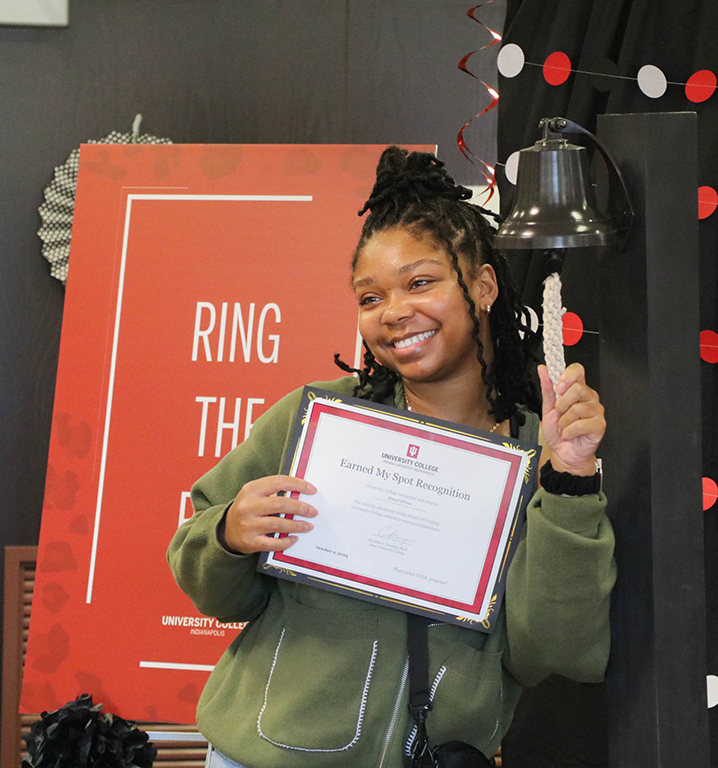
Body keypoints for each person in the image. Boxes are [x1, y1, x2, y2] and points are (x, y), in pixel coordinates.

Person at [167, 146, 615, 768]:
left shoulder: (541, 452)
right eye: (370, 297)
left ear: (484, 286)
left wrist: (568, 482)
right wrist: (227, 533)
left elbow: (549, 652)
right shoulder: (312, 418)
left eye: (420, 282)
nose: (394, 312)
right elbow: (216, 593)